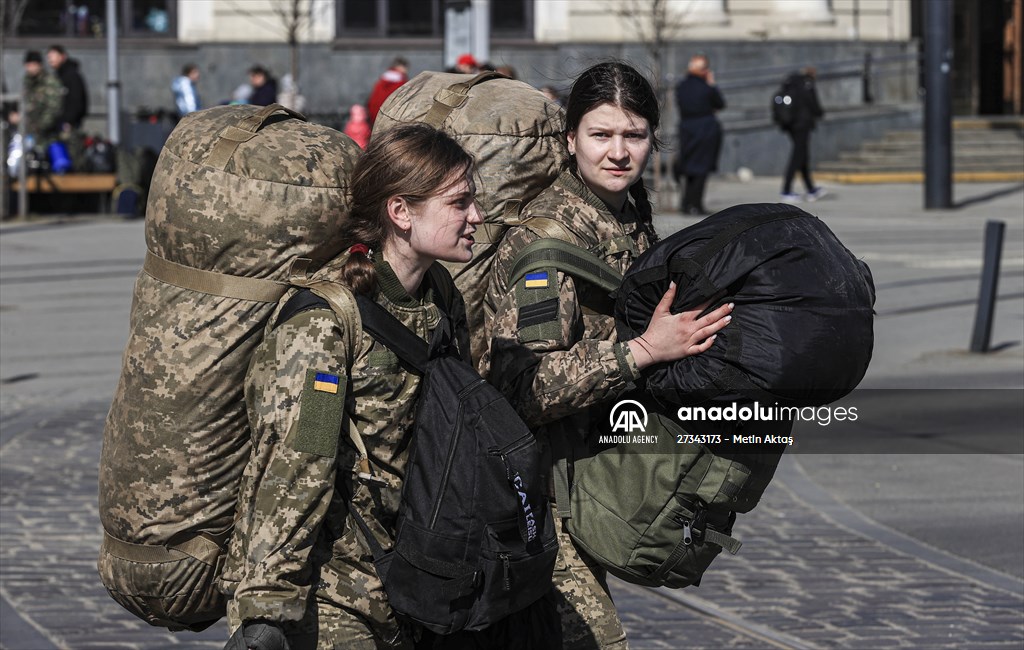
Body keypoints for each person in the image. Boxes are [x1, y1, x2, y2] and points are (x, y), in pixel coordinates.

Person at [481, 61, 734, 649]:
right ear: (570, 140)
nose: (618, 152)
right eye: (601, 135)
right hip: (540, 494)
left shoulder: (626, 214)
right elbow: (523, 388)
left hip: (596, 476)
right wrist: (641, 351)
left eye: (634, 135)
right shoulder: (547, 244)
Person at [220, 123, 483, 649]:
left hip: (415, 581)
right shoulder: (325, 325)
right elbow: (297, 461)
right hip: (332, 593)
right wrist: (267, 608)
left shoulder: (439, 298)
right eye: (460, 203)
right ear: (401, 212)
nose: (476, 216)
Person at [674, 54, 725, 215]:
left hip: (687, 129)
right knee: (701, 169)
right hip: (705, 130)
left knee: (689, 167)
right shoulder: (706, 87)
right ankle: (695, 204)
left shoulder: (682, 86)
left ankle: (686, 203)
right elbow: (720, 103)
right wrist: (712, 84)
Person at [780, 67, 826, 202]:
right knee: (797, 157)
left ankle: (811, 189)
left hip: (792, 125)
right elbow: (813, 104)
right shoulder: (807, 85)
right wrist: (819, 113)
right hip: (803, 124)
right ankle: (786, 190)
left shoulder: (792, 84)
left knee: (802, 157)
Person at [19, 51, 63, 145]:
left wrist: (39, 126)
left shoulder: (49, 82)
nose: (31, 68)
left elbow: (53, 108)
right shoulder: (28, 82)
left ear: (40, 65)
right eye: (28, 65)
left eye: (34, 65)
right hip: (30, 132)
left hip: (48, 133)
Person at [45, 45, 88, 133]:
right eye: (49, 57)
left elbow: (77, 101)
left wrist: (69, 120)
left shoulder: (71, 76)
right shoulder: (56, 77)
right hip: (56, 124)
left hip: (68, 126)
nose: (50, 59)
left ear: (63, 56)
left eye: (53, 56)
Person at [367, 57, 409, 125]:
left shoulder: (382, 80)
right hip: (390, 116)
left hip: (375, 114)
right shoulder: (401, 83)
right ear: (401, 67)